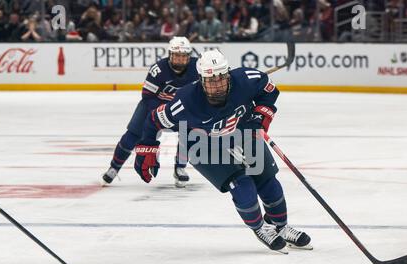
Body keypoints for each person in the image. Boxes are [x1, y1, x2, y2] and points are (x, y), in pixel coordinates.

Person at [133, 49, 312, 251]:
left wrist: (260, 117)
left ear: (228, 73)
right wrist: (147, 149)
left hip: (243, 133)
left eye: (220, 78)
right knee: (243, 185)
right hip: (203, 145)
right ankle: (260, 228)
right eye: (210, 80)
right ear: (201, 80)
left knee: (267, 181)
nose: (217, 85)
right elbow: (153, 120)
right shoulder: (185, 102)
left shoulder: (246, 79)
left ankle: (281, 226)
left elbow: (269, 91)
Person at [102, 36, 198, 188]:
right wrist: (159, 115)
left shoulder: (197, 68)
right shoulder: (158, 69)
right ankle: (113, 167)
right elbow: (147, 96)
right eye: (176, 56)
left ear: (189, 56)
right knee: (132, 135)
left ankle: (180, 167)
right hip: (153, 105)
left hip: (181, 107)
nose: (180, 60)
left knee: (190, 132)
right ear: (170, 55)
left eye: (183, 56)